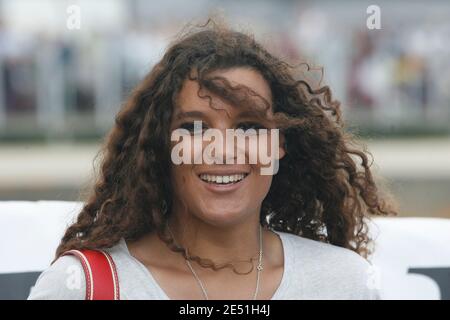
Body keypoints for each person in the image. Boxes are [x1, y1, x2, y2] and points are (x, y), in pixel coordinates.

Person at [28, 20, 395, 300]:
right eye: (195, 127)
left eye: (249, 126)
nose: (222, 148)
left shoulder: (345, 284)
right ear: (162, 143)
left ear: (280, 144)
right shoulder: (81, 287)